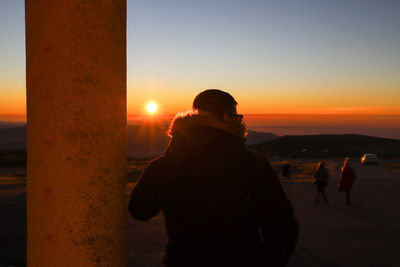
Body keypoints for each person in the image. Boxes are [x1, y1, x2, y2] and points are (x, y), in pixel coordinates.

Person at [129, 89, 299, 266]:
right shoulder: (254, 165)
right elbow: (283, 228)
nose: (239, 120)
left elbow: (139, 211)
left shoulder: (162, 166)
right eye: (237, 116)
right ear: (227, 118)